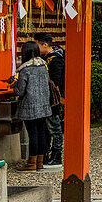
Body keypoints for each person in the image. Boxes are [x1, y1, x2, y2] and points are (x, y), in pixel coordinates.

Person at [13, 41, 51, 171]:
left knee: (32, 134)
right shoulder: (43, 67)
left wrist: (14, 85)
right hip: (43, 105)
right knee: (41, 133)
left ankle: (31, 163)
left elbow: (21, 90)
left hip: (29, 105)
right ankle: (40, 162)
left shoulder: (25, 69)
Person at [35, 32, 64, 166]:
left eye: (37, 45)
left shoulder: (55, 58)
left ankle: (57, 154)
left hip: (52, 96)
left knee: (54, 126)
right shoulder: (46, 57)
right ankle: (46, 153)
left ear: (44, 44)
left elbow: (55, 80)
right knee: (47, 127)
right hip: (46, 96)